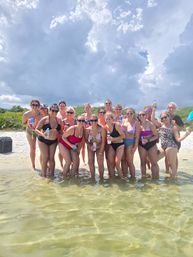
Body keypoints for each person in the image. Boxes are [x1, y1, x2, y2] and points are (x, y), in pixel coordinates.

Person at [158, 111, 191, 179]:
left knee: (171, 164)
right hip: (163, 147)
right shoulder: (161, 126)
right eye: (162, 118)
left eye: (165, 117)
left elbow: (178, 139)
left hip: (171, 146)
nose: (164, 119)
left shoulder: (173, 127)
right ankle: (172, 178)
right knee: (153, 159)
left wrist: (186, 134)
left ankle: (172, 181)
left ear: (169, 117)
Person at [35, 104, 61, 178]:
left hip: (53, 141)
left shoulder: (59, 120)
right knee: (45, 157)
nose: (54, 112)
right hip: (43, 140)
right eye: (52, 110)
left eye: (56, 111)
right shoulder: (44, 119)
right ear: (49, 111)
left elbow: (61, 131)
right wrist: (43, 135)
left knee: (51, 158)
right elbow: (36, 129)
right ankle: (43, 175)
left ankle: (52, 175)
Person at [138, 111, 159, 179]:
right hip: (141, 145)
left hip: (151, 144)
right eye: (140, 115)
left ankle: (155, 179)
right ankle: (143, 178)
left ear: (146, 115)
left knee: (154, 162)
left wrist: (148, 140)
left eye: (143, 115)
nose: (141, 116)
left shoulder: (150, 124)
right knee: (143, 162)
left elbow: (156, 136)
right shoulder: (138, 124)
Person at [22, 99, 42, 170]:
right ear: (31, 105)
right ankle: (33, 165)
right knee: (32, 148)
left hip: (39, 131)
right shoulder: (26, 114)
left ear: (39, 106)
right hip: (30, 131)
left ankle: (43, 164)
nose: (34, 106)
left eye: (36, 105)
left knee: (42, 149)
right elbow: (23, 123)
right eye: (33, 105)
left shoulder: (41, 113)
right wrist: (27, 123)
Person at [85, 114, 106, 179]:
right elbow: (86, 140)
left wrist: (101, 151)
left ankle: (101, 178)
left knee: (100, 162)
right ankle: (92, 177)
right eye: (92, 120)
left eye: (95, 120)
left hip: (99, 147)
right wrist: (89, 146)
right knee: (90, 162)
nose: (93, 122)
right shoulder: (87, 130)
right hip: (91, 147)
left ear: (97, 121)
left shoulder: (101, 129)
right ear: (89, 121)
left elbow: (103, 142)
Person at [105, 112, 125, 178]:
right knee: (110, 162)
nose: (108, 120)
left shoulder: (116, 125)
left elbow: (123, 136)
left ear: (112, 119)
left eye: (109, 119)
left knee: (117, 163)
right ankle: (112, 179)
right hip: (112, 145)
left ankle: (121, 179)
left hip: (120, 145)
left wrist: (114, 139)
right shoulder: (106, 127)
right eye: (106, 119)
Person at [122, 108, 140, 179]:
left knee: (129, 161)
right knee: (123, 160)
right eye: (127, 113)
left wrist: (135, 147)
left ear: (133, 114)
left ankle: (133, 178)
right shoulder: (123, 121)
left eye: (131, 113)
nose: (129, 115)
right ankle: (125, 176)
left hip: (130, 142)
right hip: (122, 142)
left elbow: (137, 136)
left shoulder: (136, 122)